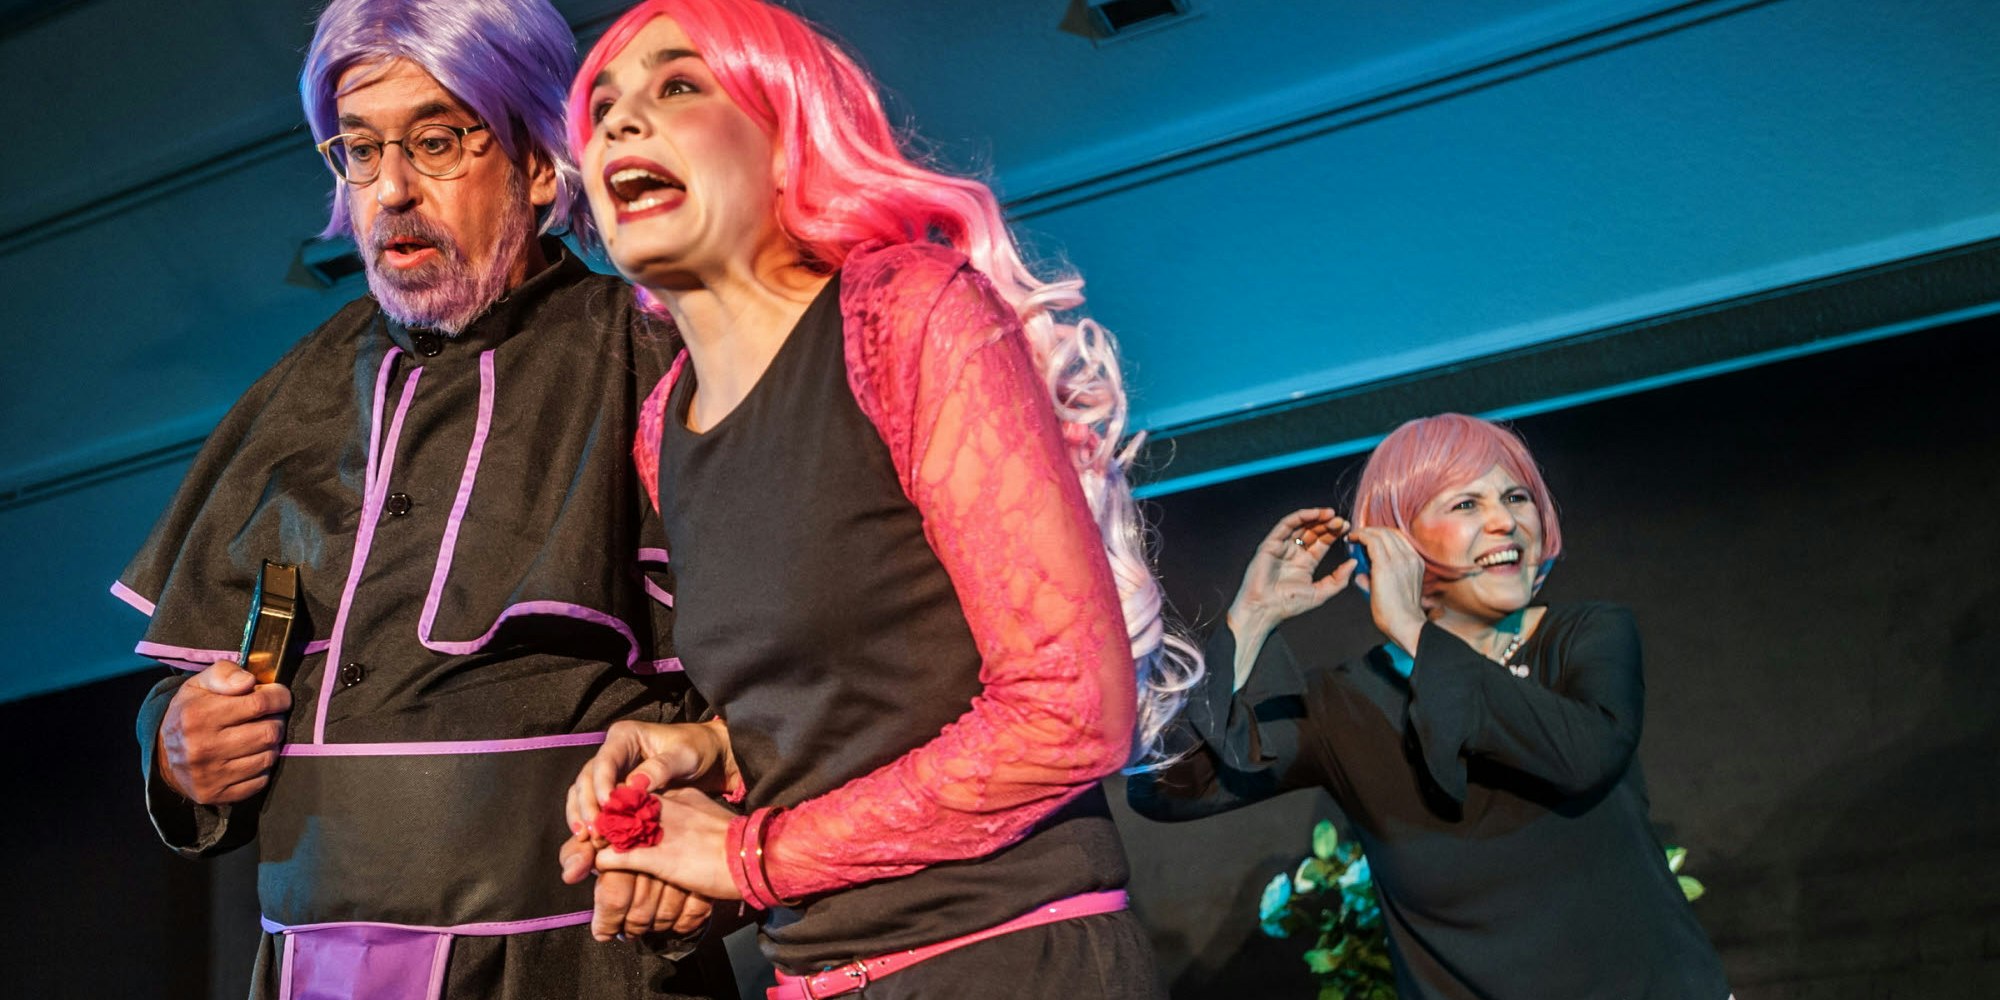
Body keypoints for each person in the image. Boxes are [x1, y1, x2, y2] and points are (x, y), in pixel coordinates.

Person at [549, 1, 1200, 995]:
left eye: (677, 85)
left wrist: (749, 856)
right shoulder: (661, 426)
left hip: (1003, 961)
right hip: (815, 976)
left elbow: (1071, 713)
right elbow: (856, 700)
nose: (620, 122)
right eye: (600, 110)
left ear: (785, 137)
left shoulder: (899, 313)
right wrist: (710, 756)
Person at [116, 0, 735, 996]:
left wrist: (711, 813)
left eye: (437, 141)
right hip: (316, 963)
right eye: (361, 151)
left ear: (540, 165)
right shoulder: (297, 393)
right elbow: (199, 679)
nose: (392, 189)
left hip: (571, 957)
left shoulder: (654, 352)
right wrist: (178, 750)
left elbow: (779, 664)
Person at [1127, 413, 1732, 999]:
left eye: (1517, 497)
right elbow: (1167, 788)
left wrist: (1415, 629)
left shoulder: (1587, 637)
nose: (1505, 521)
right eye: (1467, 504)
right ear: (1395, 540)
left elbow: (1582, 756)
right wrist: (1251, 620)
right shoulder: (1347, 706)